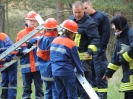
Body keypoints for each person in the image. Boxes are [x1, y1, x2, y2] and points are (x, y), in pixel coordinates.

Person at [69, 1, 100, 99]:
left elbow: (96, 40)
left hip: (84, 61)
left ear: (84, 10)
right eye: (75, 12)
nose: (77, 15)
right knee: (72, 86)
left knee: (84, 87)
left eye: (79, 12)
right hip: (70, 59)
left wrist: (89, 52)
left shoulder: (90, 23)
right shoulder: (70, 20)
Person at [82, 0, 111, 98]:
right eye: (83, 9)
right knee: (91, 77)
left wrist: (102, 48)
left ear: (91, 5)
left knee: (100, 75)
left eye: (86, 8)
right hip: (88, 53)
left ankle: (102, 96)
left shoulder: (101, 17)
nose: (84, 11)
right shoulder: (84, 19)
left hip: (99, 52)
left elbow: (106, 33)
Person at [50, 19, 84, 99]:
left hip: (55, 72)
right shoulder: (71, 43)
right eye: (74, 34)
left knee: (61, 96)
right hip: (67, 72)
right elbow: (76, 60)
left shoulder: (55, 40)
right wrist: (81, 72)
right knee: (72, 96)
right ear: (70, 33)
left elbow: (51, 57)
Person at [103, 14, 133, 99]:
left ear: (119, 24)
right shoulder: (121, 37)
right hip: (128, 75)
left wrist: (124, 58)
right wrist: (108, 72)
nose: (112, 27)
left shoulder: (130, 34)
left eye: (113, 24)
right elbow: (116, 58)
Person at [16, 11, 44, 99]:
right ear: (26, 21)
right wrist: (19, 50)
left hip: (38, 66)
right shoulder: (20, 34)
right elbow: (17, 47)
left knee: (39, 87)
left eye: (34, 21)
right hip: (26, 65)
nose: (32, 22)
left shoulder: (40, 33)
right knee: (26, 88)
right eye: (30, 20)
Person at [36, 18, 58, 99]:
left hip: (44, 71)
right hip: (53, 70)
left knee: (48, 91)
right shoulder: (55, 40)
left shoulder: (41, 39)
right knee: (55, 91)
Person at [0, 32, 17, 99]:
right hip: (2, 64)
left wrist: (7, 57)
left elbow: (11, 48)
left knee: (12, 80)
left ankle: (11, 97)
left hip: (11, 61)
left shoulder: (3, 36)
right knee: (4, 81)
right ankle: (4, 95)